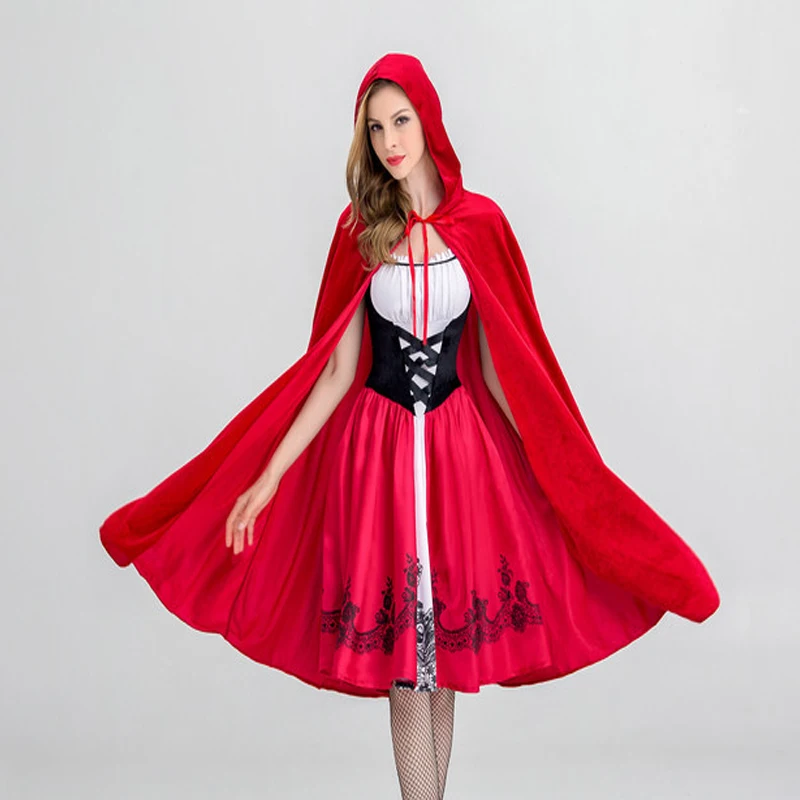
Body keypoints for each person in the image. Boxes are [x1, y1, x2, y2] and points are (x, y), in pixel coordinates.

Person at [100, 53, 719, 800]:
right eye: (375, 128)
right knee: (406, 665)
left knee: (443, 660)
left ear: (428, 120)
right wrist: (267, 478)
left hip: (459, 455)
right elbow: (335, 370)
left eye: (401, 120)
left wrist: (554, 470)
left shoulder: (481, 225)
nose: (391, 141)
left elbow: (498, 366)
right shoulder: (361, 230)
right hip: (379, 453)